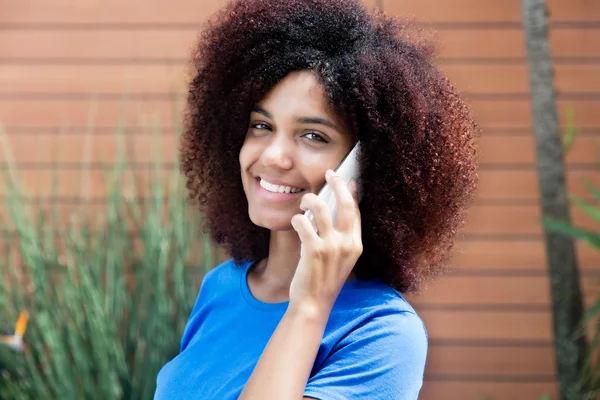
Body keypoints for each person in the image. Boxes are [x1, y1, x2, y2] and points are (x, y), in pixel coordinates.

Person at [154, 0, 478, 398]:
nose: (273, 156)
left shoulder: (383, 332)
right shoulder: (220, 286)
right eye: (261, 125)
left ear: (367, 166)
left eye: (313, 136)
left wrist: (309, 305)